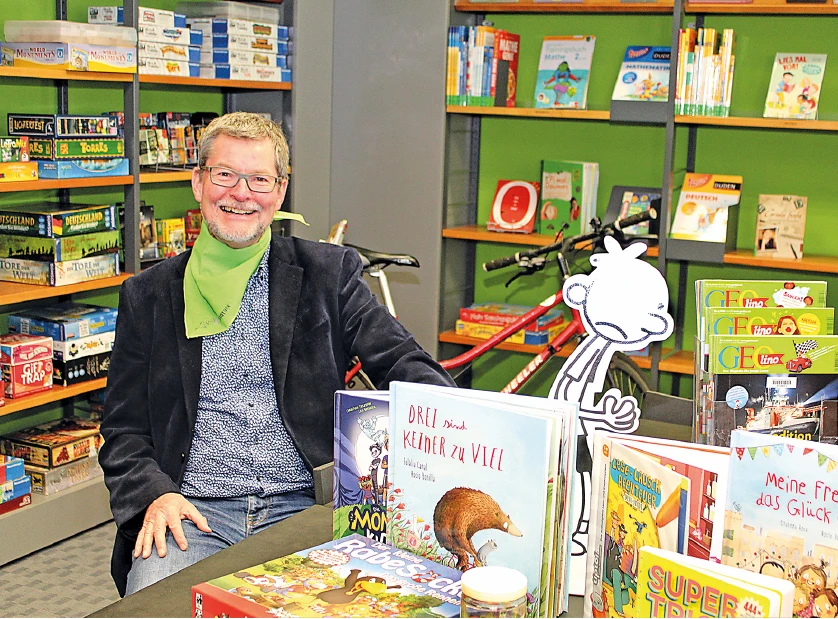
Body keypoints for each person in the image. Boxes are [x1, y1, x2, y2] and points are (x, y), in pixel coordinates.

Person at [99, 112, 455, 596]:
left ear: (280, 190)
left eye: (259, 179)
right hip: (193, 515)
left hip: (307, 509)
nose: (241, 193)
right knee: (156, 604)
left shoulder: (327, 274)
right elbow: (123, 430)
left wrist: (462, 426)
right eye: (225, 174)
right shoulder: (149, 295)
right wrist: (154, 495)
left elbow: (402, 361)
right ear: (198, 182)